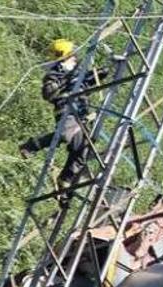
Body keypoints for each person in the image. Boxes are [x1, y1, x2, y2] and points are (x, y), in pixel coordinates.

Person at [19, 39, 109, 188]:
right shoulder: (55, 73)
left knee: (82, 148)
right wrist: (64, 80)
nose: (75, 58)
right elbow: (48, 93)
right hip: (66, 112)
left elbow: (89, 79)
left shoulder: (79, 74)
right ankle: (30, 146)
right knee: (66, 134)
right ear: (65, 56)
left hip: (81, 115)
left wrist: (100, 72)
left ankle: (65, 179)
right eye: (72, 55)